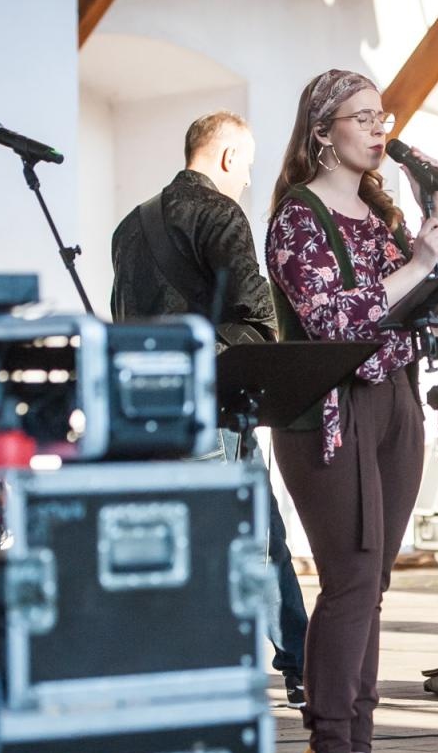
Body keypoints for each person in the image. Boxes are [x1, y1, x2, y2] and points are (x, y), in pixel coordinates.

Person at [266, 69, 438, 753]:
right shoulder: (298, 217)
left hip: (396, 401)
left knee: (374, 581)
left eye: (382, 116)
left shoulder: (383, 214)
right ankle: (327, 743)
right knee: (350, 574)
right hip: (329, 408)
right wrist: (415, 267)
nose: (379, 129)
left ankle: (358, 739)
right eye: (361, 117)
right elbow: (331, 319)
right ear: (322, 132)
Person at [110, 110, 310, 705]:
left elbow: (123, 320)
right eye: (246, 166)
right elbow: (258, 318)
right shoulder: (221, 212)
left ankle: (168, 668)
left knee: (170, 541)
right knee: (250, 538)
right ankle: (293, 665)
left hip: (146, 412)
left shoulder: (128, 226)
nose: (247, 179)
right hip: (214, 411)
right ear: (226, 157)